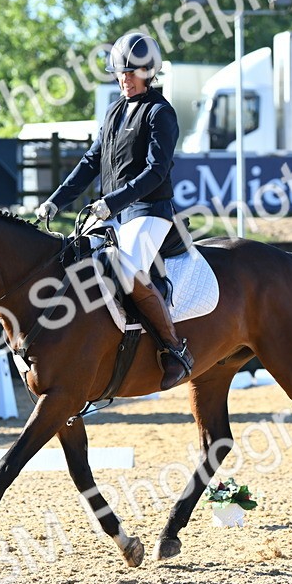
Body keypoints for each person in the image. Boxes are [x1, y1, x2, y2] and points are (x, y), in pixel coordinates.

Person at [35, 32, 193, 390]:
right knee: (73, 262)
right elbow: (91, 161)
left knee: (127, 270)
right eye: (120, 73)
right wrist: (56, 200)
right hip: (113, 213)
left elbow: (156, 172)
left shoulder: (160, 113)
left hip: (149, 210)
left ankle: (174, 349)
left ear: (149, 72)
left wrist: (112, 202)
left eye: (132, 73)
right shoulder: (115, 110)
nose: (125, 79)